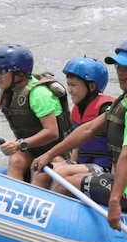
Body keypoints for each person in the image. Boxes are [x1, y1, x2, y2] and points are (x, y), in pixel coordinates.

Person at [32, 39, 127, 230]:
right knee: (67, 180)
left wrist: (115, 202)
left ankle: (55, 232)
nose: (120, 72)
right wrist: (49, 154)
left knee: (67, 184)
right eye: (118, 66)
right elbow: (88, 129)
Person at [0, 43, 72, 182]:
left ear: (19, 74)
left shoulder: (39, 95)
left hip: (54, 152)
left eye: (2, 71)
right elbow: (10, 103)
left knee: (41, 170)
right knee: (16, 161)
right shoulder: (14, 88)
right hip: (30, 147)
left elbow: (51, 132)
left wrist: (19, 144)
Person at [46, 56, 116, 194]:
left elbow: (119, 148)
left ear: (91, 86)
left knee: (62, 171)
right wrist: (72, 163)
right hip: (84, 164)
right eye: (68, 84)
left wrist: (114, 179)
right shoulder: (78, 110)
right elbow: (77, 145)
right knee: (44, 170)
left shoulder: (106, 110)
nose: (70, 90)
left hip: (104, 168)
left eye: (74, 85)